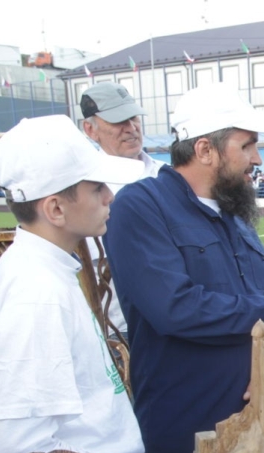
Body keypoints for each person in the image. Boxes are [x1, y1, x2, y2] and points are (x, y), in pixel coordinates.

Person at [103, 83, 264, 453]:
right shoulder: (139, 205)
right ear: (205, 150)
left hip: (257, 433)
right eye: (247, 145)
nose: (257, 159)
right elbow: (174, 308)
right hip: (186, 434)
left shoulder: (233, 214)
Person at [0, 115, 144, 453]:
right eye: (96, 188)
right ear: (55, 209)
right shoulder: (39, 291)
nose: (109, 197)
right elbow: (20, 447)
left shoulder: (39, 270)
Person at [80, 82, 164, 339]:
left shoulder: (168, 175)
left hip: (177, 320)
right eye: (118, 121)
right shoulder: (83, 187)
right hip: (120, 327)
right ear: (90, 129)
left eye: (134, 118)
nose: (131, 128)